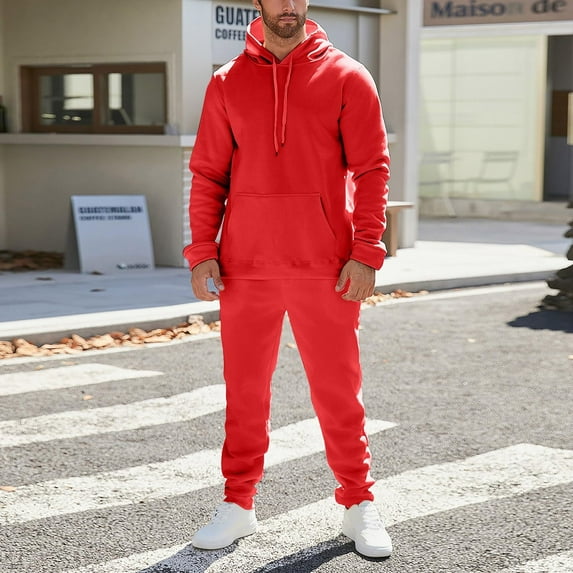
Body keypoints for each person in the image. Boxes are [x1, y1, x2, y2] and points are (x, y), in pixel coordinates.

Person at [183, 0, 392, 559]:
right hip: (244, 267)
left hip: (326, 265)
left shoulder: (347, 75)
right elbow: (208, 173)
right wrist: (202, 250)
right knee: (244, 392)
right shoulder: (227, 82)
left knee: (338, 391)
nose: (289, 6)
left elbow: (372, 169)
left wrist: (367, 250)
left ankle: (358, 503)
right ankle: (238, 504)